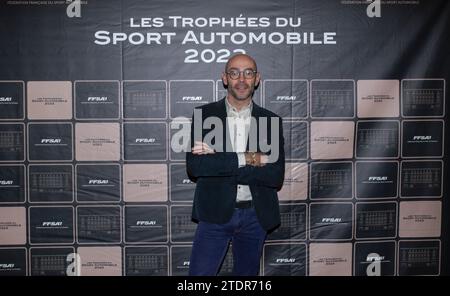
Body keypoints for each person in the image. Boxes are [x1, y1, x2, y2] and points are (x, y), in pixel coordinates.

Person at [186, 53, 285, 276]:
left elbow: (275, 176)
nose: (241, 79)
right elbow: (197, 167)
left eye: (248, 73)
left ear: (257, 79)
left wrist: (219, 161)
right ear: (225, 78)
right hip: (214, 214)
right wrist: (249, 158)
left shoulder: (271, 121)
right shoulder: (204, 115)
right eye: (234, 73)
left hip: (255, 217)